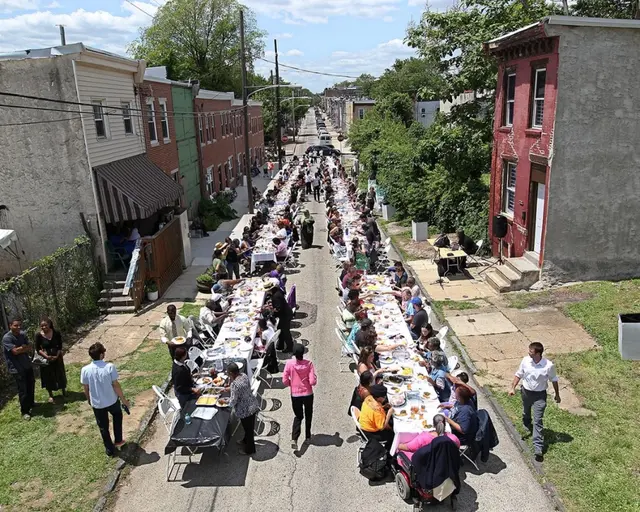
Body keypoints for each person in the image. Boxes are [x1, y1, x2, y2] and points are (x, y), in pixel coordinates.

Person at [509, 341, 560, 462]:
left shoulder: (548, 365)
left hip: (540, 396)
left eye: (531, 351)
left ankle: (538, 448)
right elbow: (519, 374)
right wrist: (512, 387)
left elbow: (554, 380)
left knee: (538, 420)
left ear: (538, 353)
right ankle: (526, 423)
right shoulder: (526, 361)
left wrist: (557, 395)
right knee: (526, 411)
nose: (528, 352)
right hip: (526, 392)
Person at [81, 342, 130, 457]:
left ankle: (109, 449)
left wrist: (89, 399)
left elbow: (86, 387)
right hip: (112, 400)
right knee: (117, 418)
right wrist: (123, 400)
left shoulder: (85, 370)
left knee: (103, 427)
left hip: (97, 404)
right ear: (102, 354)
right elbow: (116, 385)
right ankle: (118, 440)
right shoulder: (109, 367)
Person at [282, 343, 317, 449]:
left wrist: (291, 384)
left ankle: (294, 438)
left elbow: (284, 381)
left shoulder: (289, 364)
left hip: (295, 394)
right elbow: (312, 382)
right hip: (307, 394)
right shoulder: (309, 364)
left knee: (298, 416)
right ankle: (307, 437)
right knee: (308, 414)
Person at [2, 318, 35, 420]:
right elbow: (15, 352)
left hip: (26, 365)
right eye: (16, 325)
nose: (18, 327)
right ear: (10, 326)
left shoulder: (22, 334)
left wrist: (21, 348)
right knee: (23, 389)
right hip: (16, 368)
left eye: (19, 325)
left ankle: (31, 403)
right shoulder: (7, 338)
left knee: (31, 384)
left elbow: (29, 346)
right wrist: (22, 348)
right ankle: (25, 411)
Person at [226, 362, 260, 455]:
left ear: (231, 373)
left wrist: (226, 403)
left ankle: (250, 450)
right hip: (252, 404)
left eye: (228, 373)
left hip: (245, 410)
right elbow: (242, 388)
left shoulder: (235, 384)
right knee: (248, 428)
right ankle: (245, 441)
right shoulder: (244, 376)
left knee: (249, 431)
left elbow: (233, 401)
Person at [34, 317, 67, 402]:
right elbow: (38, 349)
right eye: (42, 326)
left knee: (60, 374)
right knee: (48, 376)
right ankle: (51, 395)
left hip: (57, 357)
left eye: (45, 325)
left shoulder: (56, 333)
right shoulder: (38, 336)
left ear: (50, 325)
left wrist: (57, 355)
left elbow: (60, 345)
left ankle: (63, 391)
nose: (44, 327)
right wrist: (46, 356)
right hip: (46, 359)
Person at [358, 384, 395, 450]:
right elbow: (382, 427)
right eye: (384, 397)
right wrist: (389, 413)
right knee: (393, 435)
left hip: (364, 425)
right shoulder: (376, 410)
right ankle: (389, 452)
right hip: (370, 433)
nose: (384, 398)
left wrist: (384, 407)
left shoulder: (369, 398)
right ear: (378, 398)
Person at [267, 278, 294, 352]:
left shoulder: (275, 296)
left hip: (285, 315)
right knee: (281, 329)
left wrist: (272, 311)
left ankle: (290, 347)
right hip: (285, 313)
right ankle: (280, 345)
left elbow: (278, 309)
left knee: (286, 332)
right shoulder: (278, 291)